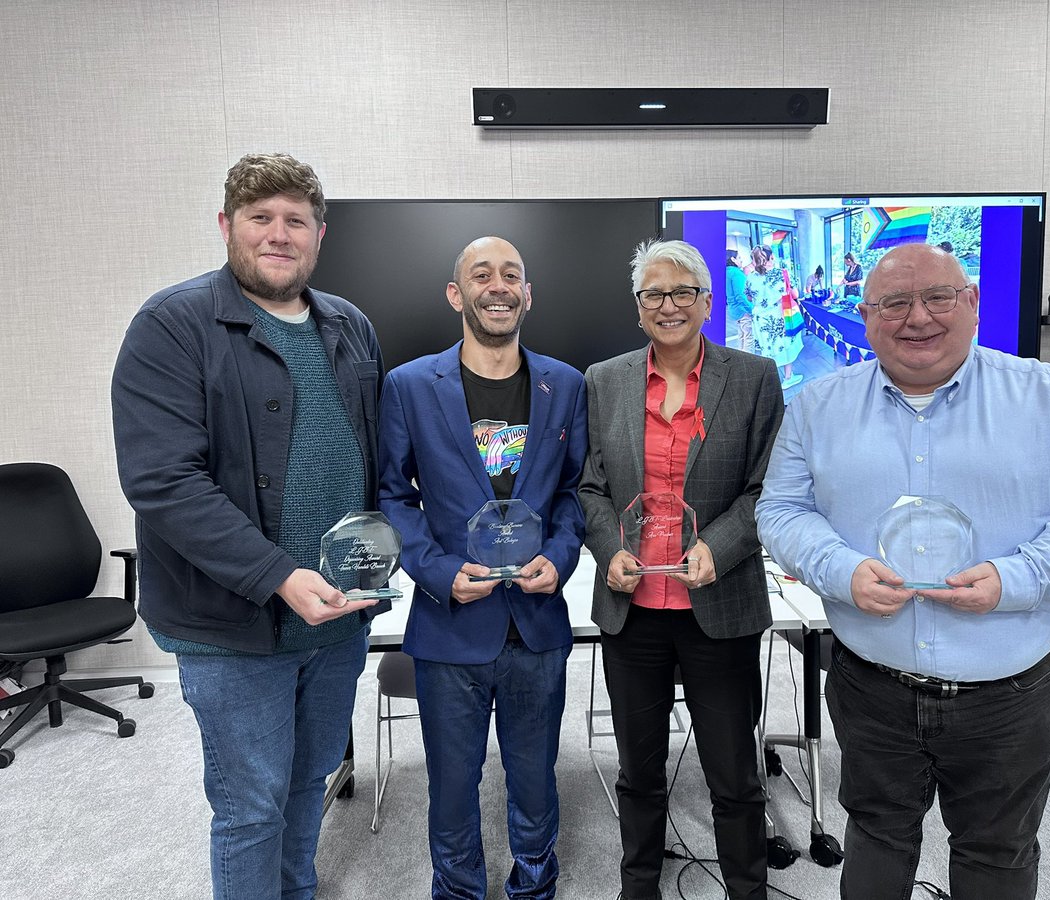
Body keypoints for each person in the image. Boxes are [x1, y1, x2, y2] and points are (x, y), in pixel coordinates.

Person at [756, 242, 1050, 899]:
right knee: (876, 837)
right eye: (894, 303)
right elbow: (781, 511)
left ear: (972, 303)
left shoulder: (1048, 396)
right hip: (871, 686)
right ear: (866, 316)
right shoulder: (816, 407)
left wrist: (1018, 577)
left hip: (1008, 695)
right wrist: (838, 567)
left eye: (937, 296)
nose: (917, 317)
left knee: (997, 852)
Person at [111, 152, 387, 899]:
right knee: (251, 808)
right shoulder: (173, 324)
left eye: (295, 219)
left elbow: (373, 458)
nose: (278, 233)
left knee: (308, 785)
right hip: (232, 628)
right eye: (260, 217)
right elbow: (162, 481)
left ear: (319, 234)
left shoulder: (351, 326)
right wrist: (279, 575)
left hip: (336, 622)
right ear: (226, 225)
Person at [377, 236, 588, 900]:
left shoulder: (566, 384)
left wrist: (560, 558)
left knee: (535, 779)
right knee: (451, 784)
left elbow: (574, 492)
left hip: (536, 622)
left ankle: (534, 887)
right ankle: (459, 890)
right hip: (450, 625)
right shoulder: (410, 386)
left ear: (527, 294)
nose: (498, 286)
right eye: (481, 275)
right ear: (456, 293)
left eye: (511, 275)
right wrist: (438, 573)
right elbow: (393, 496)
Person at [580, 239, 784, 900]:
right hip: (632, 609)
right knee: (639, 771)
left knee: (733, 773)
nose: (668, 305)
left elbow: (767, 489)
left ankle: (746, 888)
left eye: (682, 292)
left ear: (707, 300)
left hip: (718, 608)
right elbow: (590, 488)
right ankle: (638, 886)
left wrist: (718, 547)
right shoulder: (604, 379)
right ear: (638, 306)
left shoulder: (754, 377)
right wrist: (608, 547)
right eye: (654, 294)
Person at [745, 244, 803, 386]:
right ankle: (788, 378)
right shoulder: (783, 273)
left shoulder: (750, 277)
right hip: (780, 317)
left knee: (768, 348)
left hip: (761, 320)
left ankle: (771, 381)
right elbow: (795, 294)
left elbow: (749, 298)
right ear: (772, 256)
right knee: (785, 345)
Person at [725, 249, 752, 351]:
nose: (741, 260)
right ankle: (748, 360)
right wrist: (751, 309)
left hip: (734, 310)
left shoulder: (726, 272)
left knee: (742, 336)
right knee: (749, 338)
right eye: (739, 258)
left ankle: (740, 358)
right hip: (743, 310)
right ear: (733, 259)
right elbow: (741, 296)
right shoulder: (737, 273)